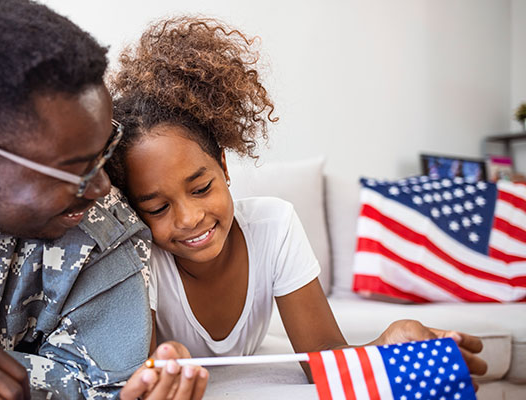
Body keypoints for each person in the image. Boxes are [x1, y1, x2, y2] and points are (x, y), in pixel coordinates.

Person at [105, 16, 488, 384]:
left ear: (223, 165)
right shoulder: (141, 255)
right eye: (157, 208)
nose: (189, 218)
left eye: (201, 188)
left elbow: (322, 356)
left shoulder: (274, 227)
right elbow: (145, 372)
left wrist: (390, 342)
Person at [0, 1, 208, 399]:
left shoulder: (102, 231)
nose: (102, 187)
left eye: (105, 151)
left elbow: (104, 388)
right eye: (75, 169)